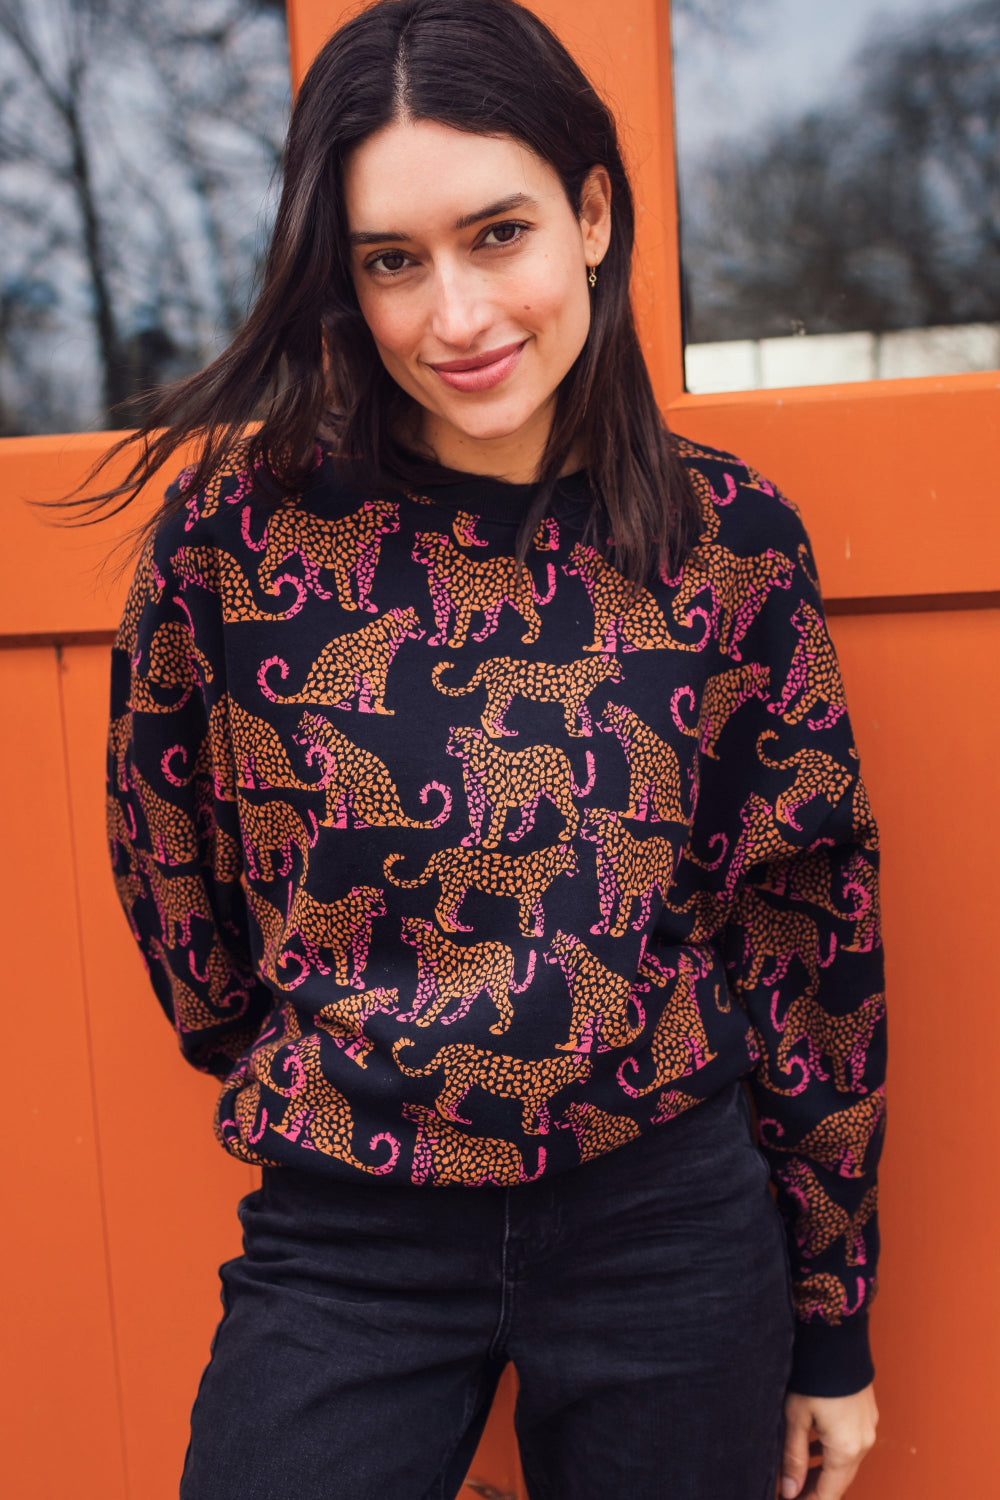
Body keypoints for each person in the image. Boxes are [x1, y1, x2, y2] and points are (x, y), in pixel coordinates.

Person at [94, 1, 886, 1495]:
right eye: (393, 261)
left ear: (591, 215)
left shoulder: (730, 545)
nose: (453, 317)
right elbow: (170, 864)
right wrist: (338, 1063)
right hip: (350, 1232)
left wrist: (832, 1321)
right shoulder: (233, 544)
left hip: (668, 1226)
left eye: (498, 234)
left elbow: (808, 929)